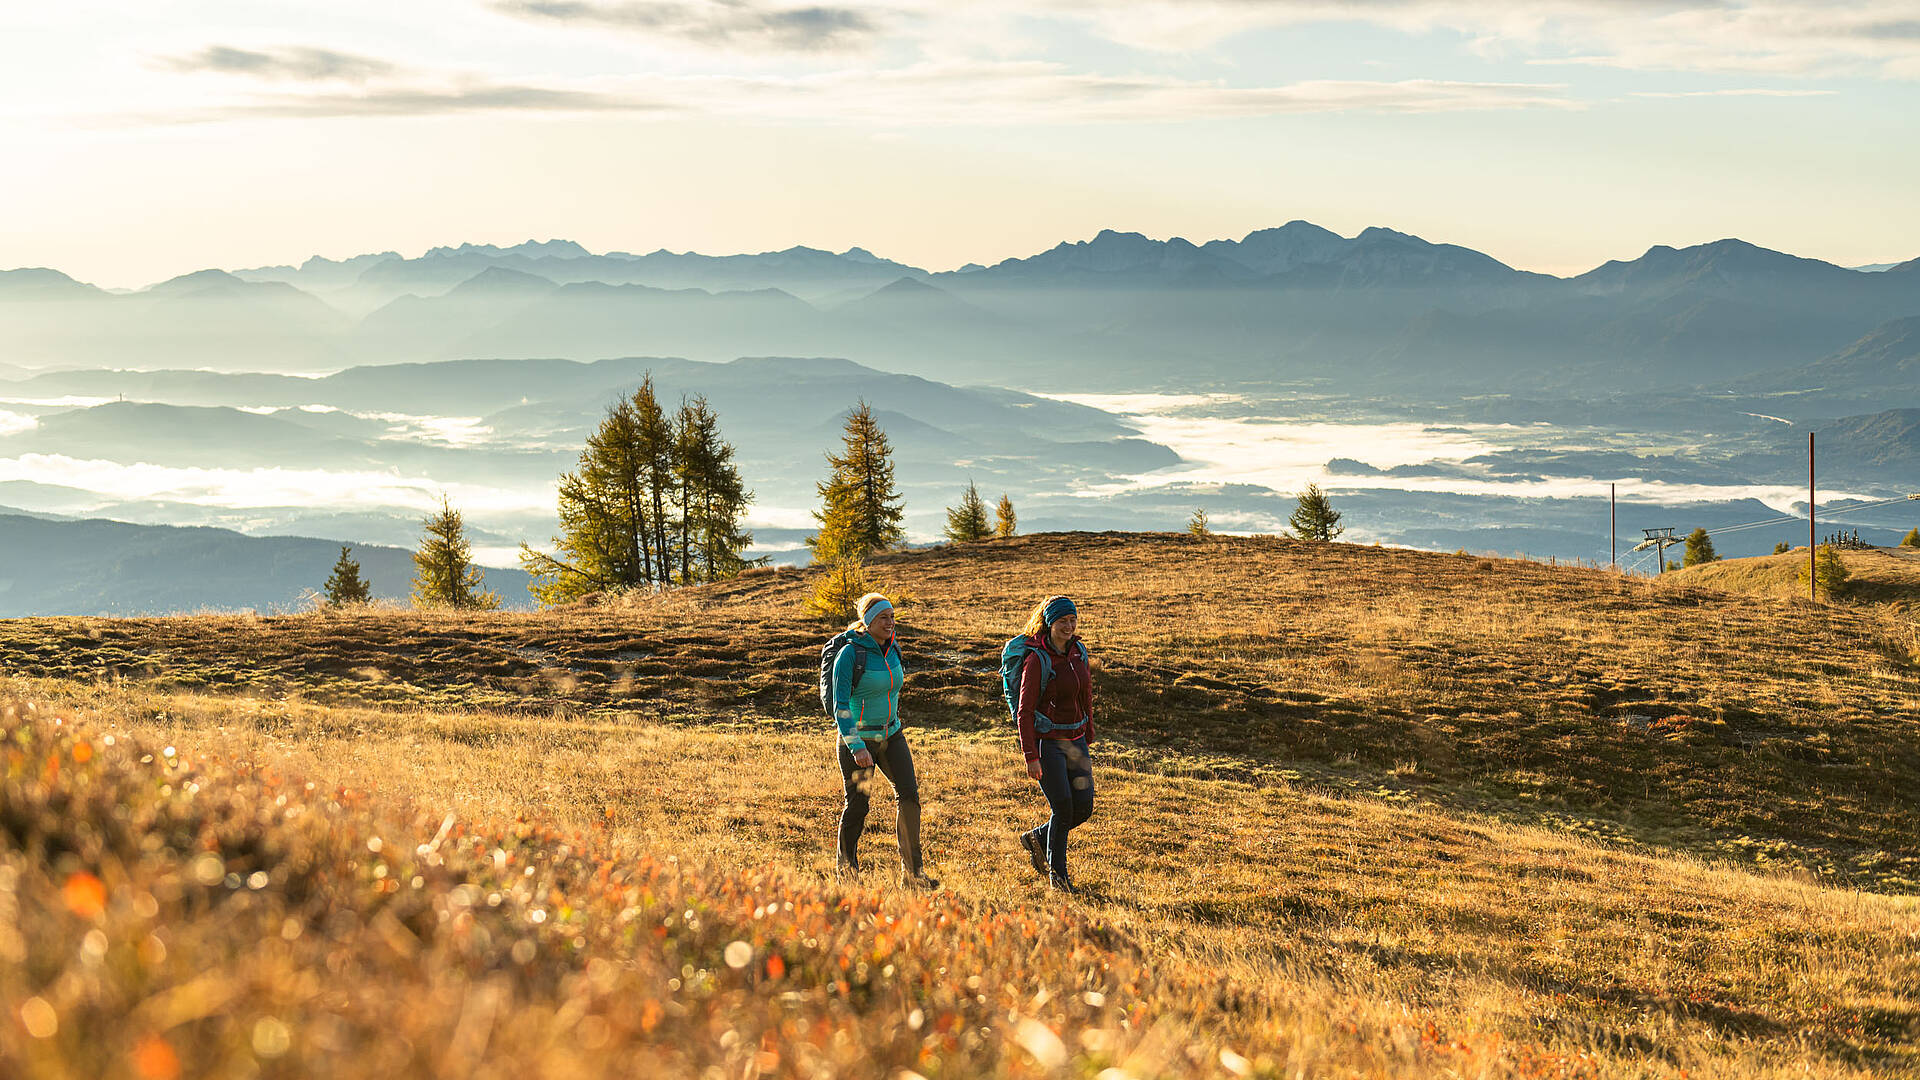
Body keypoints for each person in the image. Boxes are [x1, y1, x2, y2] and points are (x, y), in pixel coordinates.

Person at [832, 592, 937, 888]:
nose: (890, 623)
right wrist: (857, 746)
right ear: (867, 622)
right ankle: (847, 874)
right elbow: (840, 705)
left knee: (910, 799)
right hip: (859, 741)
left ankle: (913, 875)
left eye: (892, 617)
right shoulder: (850, 654)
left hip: (892, 735)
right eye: (883, 618)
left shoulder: (893, 649)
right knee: (858, 806)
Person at [1013, 595, 1095, 893]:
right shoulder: (1037, 659)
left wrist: (1089, 730)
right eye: (1063, 622)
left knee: (1083, 808)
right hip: (1048, 745)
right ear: (1049, 624)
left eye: (1073, 620)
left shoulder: (1078, 652)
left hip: (1076, 740)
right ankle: (1058, 878)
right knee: (1063, 808)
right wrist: (1030, 755)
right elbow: (1024, 711)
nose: (1069, 626)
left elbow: (1085, 693)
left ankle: (1037, 838)